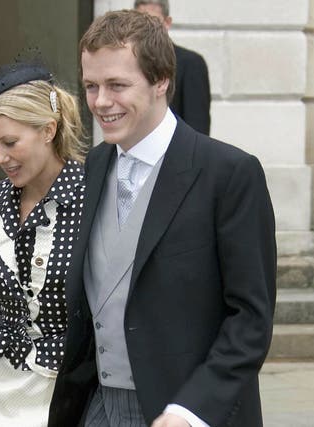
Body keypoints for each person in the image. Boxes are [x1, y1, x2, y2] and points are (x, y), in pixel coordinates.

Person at [49, 10, 276, 427]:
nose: (100, 102)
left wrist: (190, 412)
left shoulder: (229, 174)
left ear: (161, 81)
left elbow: (251, 320)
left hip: (184, 411)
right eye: (91, 86)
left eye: (117, 85)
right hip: (94, 406)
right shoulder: (93, 167)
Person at [0, 62, 88, 427]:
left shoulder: (93, 197)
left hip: (64, 391)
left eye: (10, 143)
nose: (0, 158)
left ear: (48, 130)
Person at [134, 0, 211, 135]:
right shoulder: (130, 62)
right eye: (139, 22)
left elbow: (197, 126)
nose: (145, 29)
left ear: (167, 23)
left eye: (153, 21)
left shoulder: (191, 63)